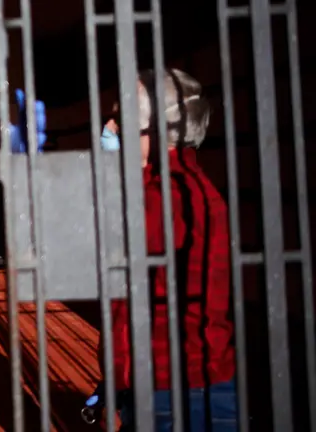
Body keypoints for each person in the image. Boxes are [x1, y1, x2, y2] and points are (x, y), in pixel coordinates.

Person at [94, 68, 237, 431]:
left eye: (121, 117)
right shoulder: (181, 187)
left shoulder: (166, 196)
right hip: (185, 380)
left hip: (172, 389)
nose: (112, 128)